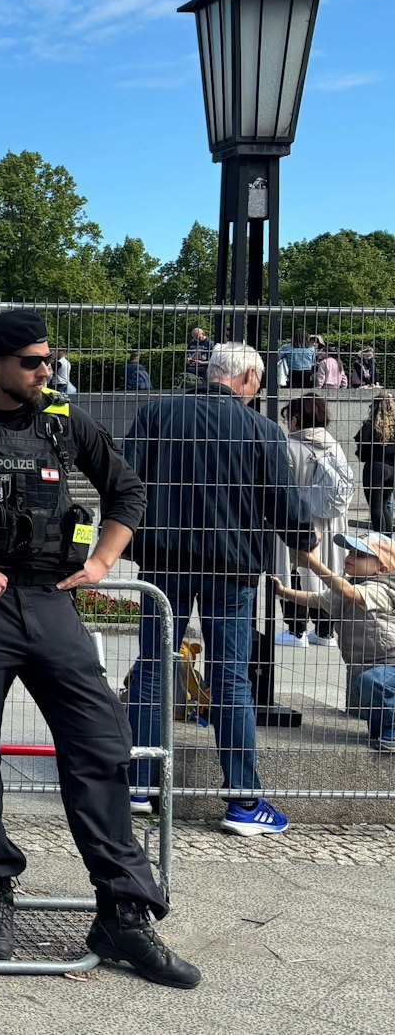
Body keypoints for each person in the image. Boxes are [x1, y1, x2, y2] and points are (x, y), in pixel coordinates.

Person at [0, 308, 198, 988]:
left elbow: (127, 489)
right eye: (31, 361)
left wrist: (105, 560)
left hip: (51, 604)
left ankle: (122, 910)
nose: (46, 370)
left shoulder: (64, 421)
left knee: (100, 743)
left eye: (48, 359)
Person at [121, 341, 314, 838]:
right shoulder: (262, 432)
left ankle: (138, 784)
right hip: (232, 566)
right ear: (248, 377)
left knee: (153, 664)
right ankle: (243, 800)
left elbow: (126, 481)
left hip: (164, 559)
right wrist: (303, 538)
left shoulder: (158, 414)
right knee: (230, 678)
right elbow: (283, 504)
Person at [272, 535, 395, 752]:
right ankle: (387, 732)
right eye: (350, 552)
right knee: (373, 720)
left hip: (390, 663)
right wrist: (283, 592)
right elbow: (316, 599)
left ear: (382, 569)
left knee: (374, 685)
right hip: (366, 663)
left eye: (360, 555)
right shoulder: (347, 586)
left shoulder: (382, 588)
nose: (350, 557)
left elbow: (350, 594)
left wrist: (314, 564)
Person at [278, 394, 352, 648]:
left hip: (302, 520)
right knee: (328, 572)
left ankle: (296, 630)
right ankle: (324, 632)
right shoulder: (335, 445)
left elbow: (284, 489)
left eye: (289, 418)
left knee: (294, 570)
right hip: (333, 523)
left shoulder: (288, 446)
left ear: (296, 419)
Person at [357, 392, 395, 536]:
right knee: (384, 506)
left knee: (376, 508)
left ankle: (380, 540)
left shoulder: (370, 424)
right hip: (392, 469)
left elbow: (361, 444)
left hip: (376, 467)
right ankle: (388, 540)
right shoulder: (393, 425)